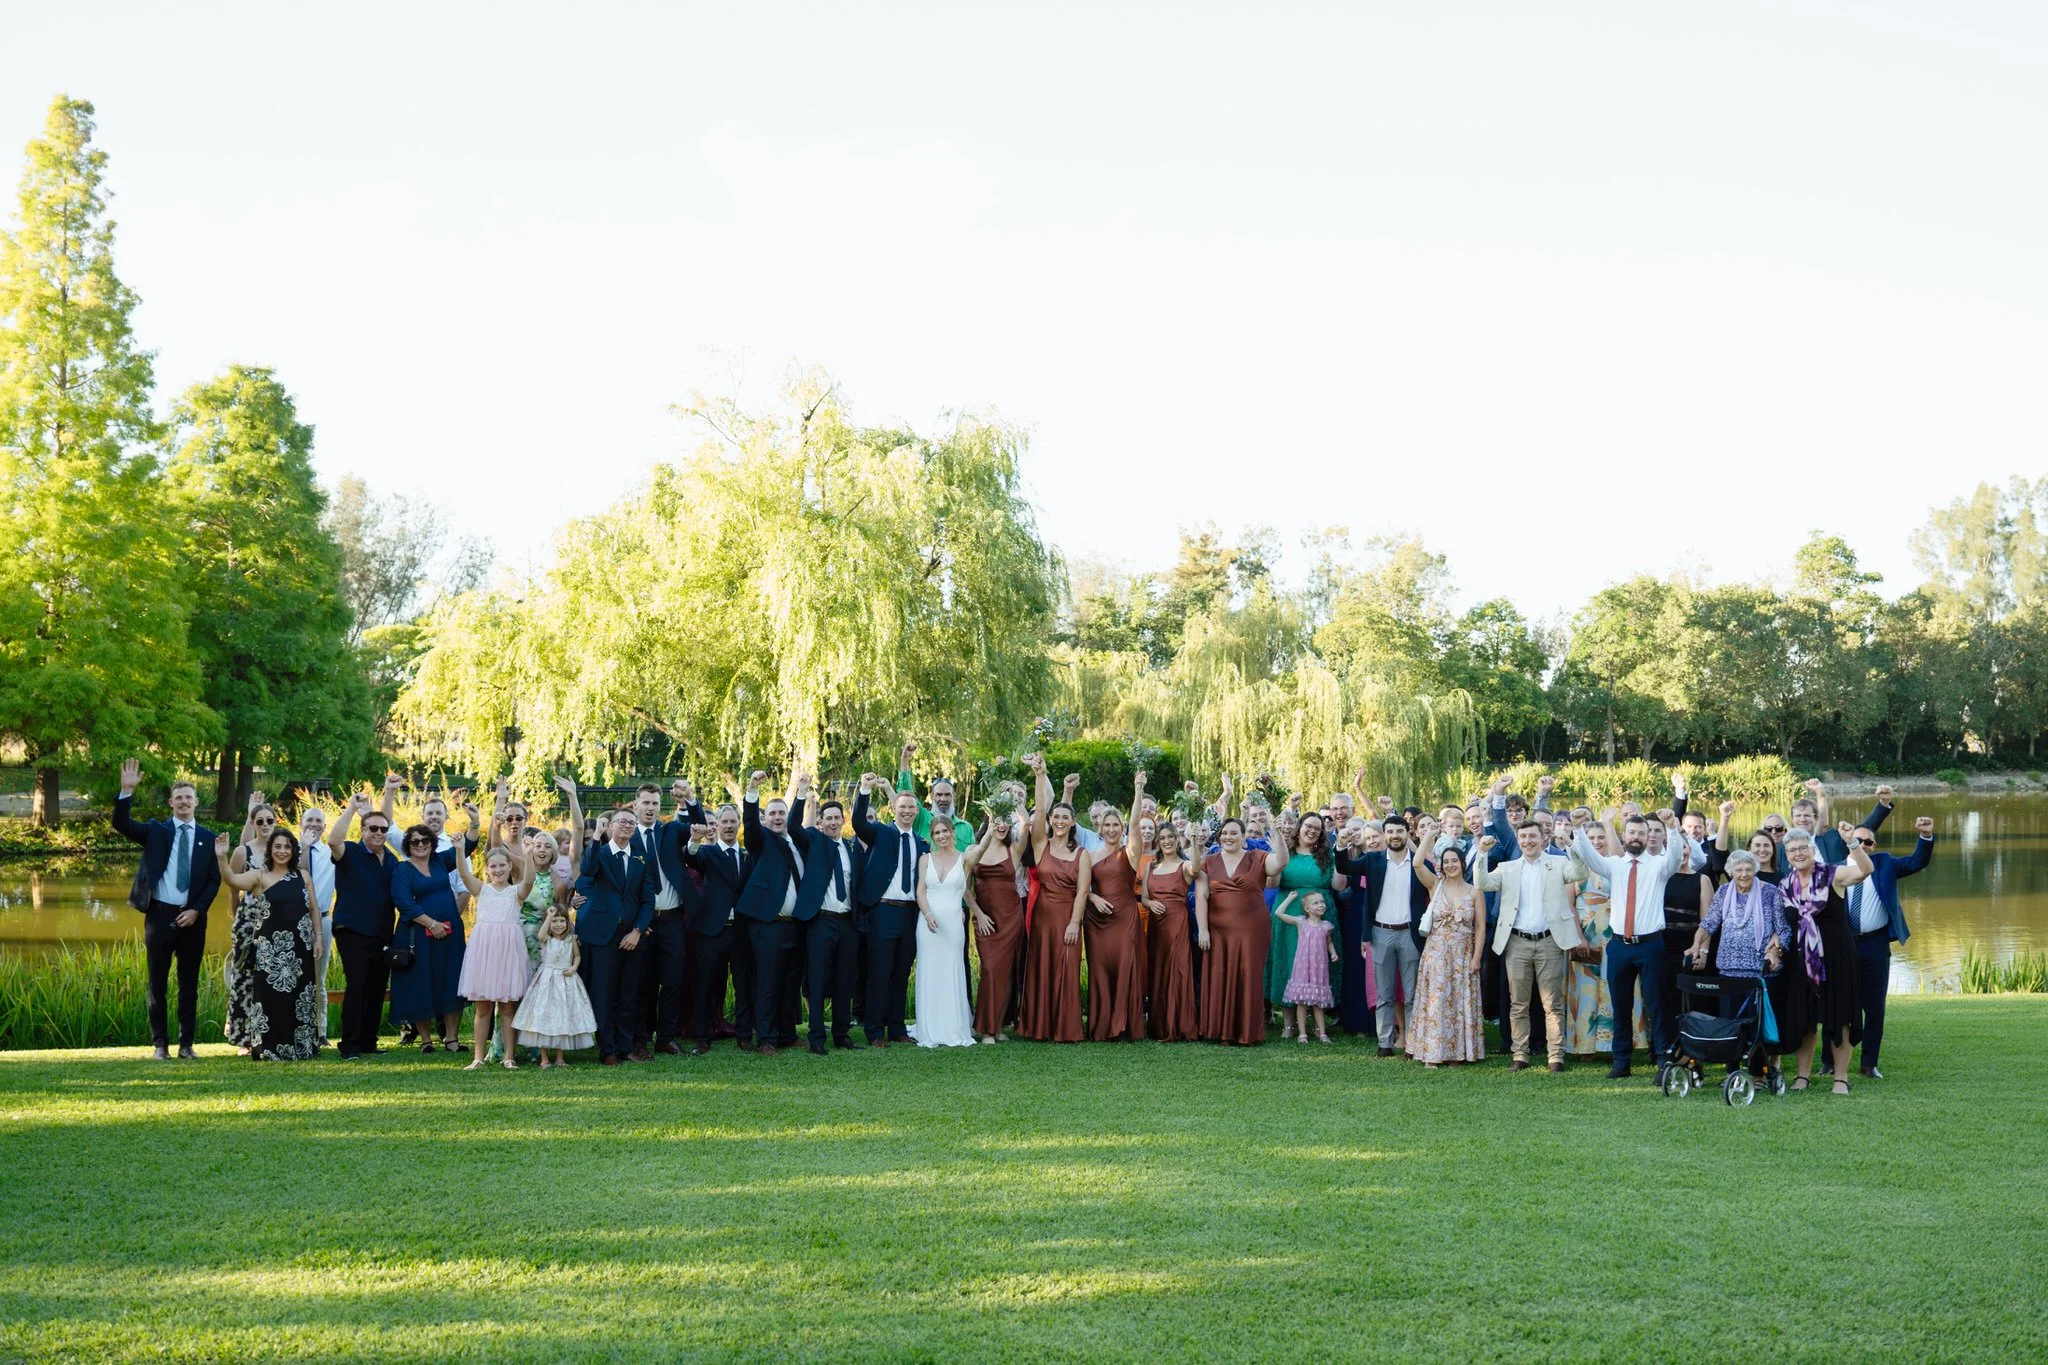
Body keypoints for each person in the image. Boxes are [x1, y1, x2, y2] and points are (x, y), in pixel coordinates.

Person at [112, 760, 224, 1060]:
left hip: (193, 919)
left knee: (189, 986)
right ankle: (160, 1045)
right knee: (157, 983)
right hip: (160, 915)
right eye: (179, 798)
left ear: (196, 802)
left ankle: (186, 1045)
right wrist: (126, 791)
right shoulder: (155, 832)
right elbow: (122, 825)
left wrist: (197, 910)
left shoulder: (209, 838)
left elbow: (215, 881)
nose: (184, 802)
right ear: (171, 803)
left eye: (189, 797)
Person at [1570, 811, 1688, 1077]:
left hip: (1650, 945)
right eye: (1632, 833)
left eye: (1642, 833)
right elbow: (1589, 857)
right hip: (1620, 945)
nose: (1636, 837)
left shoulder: (1659, 865)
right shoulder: (1614, 865)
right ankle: (1621, 1062)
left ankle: (1662, 1062)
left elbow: (1676, 857)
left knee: (1657, 1006)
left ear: (1648, 837)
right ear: (1624, 836)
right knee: (1620, 1006)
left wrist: (1671, 828)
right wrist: (1578, 830)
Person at [1474, 820, 1586, 1073]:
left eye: (1532, 836)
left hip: (1550, 941)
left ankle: (1555, 1057)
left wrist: (1570, 843)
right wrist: (1482, 853)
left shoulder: (1558, 864)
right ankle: (1520, 1055)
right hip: (1517, 942)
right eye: (1523, 837)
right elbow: (1482, 883)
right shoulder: (1507, 867)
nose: (1527, 841)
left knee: (1552, 1004)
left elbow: (1580, 873)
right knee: (1518, 1004)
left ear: (1543, 838)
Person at [1774, 826, 1876, 1094]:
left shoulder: (1833, 875)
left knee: (1840, 1015)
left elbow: (1865, 870)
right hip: (1801, 959)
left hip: (1836, 955)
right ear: (1787, 854)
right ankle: (1803, 1076)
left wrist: (1852, 842)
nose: (1798, 853)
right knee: (1804, 1017)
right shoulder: (1785, 885)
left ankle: (1840, 1078)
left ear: (1812, 849)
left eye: (1802, 848)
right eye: (1792, 850)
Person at [215, 826, 323, 1061]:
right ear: (270, 850)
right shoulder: (259, 875)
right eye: (277, 846)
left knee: (299, 998)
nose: (282, 851)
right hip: (268, 951)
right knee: (271, 1000)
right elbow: (232, 880)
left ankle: (302, 1046)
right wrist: (222, 857)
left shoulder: (303, 875)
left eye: (287, 846)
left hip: (299, 948)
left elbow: (313, 909)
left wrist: (319, 938)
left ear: (293, 850)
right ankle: (269, 1047)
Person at [1846, 815, 1936, 1078]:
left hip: (1874, 943)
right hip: (1844, 945)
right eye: (1858, 840)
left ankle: (1868, 1064)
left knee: (1874, 1007)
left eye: (1868, 842)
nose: (1863, 845)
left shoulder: (1884, 864)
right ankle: (1830, 1062)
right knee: (1839, 1004)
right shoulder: (1835, 869)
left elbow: (1917, 861)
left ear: (1874, 846)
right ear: (1849, 843)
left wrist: (1925, 836)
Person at [1336, 814, 1431, 1056]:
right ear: (1385, 834)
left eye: (1399, 831)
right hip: (1380, 933)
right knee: (1384, 993)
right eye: (1390, 832)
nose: (1395, 836)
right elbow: (1345, 867)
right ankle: (1385, 1043)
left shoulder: (1420, 864)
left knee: (1411, 994)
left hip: (1410, 933)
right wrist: (1340, 845)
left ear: (1407, 833)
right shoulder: (1373, 860)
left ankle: (1412, 1043)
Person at [735, 771, 811, 1056]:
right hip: (768, 925)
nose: (778, 818)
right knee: (767, 982)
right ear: (766, 818)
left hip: (796, 925)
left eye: (783, 813)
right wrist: (752, 789)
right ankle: (766, 1038)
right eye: (774, 814)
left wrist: (802, 792)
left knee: (791, 983)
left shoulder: (797, 844)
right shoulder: (761, 840)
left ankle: (787, 1035)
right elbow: (751, 825)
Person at [573, 808, 657, 1066]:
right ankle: (607, 1049)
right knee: (604, 992)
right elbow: (587, 869)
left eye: (631, 823)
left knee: (629, 993)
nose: (627, 826)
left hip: (630, 935)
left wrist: (637, 931)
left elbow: (647, 900)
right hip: (601, 935)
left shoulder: (641, 859)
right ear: (610, 826)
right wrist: (596, 835)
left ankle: (626, 1046)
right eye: (622, 821)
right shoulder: (600, 853)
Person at [325, 777, 402, 1059]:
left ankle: (368, 1041)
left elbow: (385, 820)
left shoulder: (390, 859)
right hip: (353, 930)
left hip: (382, 932)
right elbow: (333, 840)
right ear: (363, 830)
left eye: (383, 829)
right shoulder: (351, 852)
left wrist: (389, 794)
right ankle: (350, 1045)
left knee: (376, 986)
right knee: (357, 985)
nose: (379, 833)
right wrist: (350, 809)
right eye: (373, 828)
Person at [852, 772, 929, 1046]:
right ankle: (874, 1031)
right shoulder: (881, 833)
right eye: (902, 807)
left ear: (916, 812)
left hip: (910, 914)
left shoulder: (922, 843)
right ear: (893, 809)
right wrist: (864, 789)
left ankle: (897, 1030)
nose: (906, 811)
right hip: (882, 912)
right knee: (879, 972)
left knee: (900, 973)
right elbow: (859, 823)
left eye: (911, 808)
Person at [390, 811, 474, 1054]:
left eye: (425, 840)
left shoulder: (440, 861)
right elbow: (404, 903)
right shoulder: (402, 870)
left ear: (432, 843)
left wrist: (474, 824)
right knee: (421, 983)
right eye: (415, 841)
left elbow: (467, 846)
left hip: (450, 934)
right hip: (417, 936)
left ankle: (452, 1039)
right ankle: (426, 1040)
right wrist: (431, 924)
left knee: (451, 980)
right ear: (408, 845)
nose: (420, 845)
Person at [630, 778, 703, 1056]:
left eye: (655, 804)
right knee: (642, 982)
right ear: (636, 805)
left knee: (673, 980)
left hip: (673, 919)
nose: (650, 808)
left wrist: (691, 799)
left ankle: (666, 1037)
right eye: (646, 803)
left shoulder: (671, 831)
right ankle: (640, 1038)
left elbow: (699, 826)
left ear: (661, 806)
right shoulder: (628, 837)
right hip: (643, 923)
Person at [453, 838, 538, 1070]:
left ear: (510, 867)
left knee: (508, 1006)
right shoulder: (481, 890)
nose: (498, 870)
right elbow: (462, 873)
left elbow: (529, 880)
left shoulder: (516, 892)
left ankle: (509, 1056)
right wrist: (460, 850)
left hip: (509, 950)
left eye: (503, 865)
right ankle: (478, 1057)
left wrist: (529, 854)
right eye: (493, 866)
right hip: (484, 950)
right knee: (483, 1007)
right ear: (487, 869)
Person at [1019, 753, 1086, 1043]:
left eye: (1065, 817)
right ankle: (1038, 1026)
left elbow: (1083, 891)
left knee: (1067, 968)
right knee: (1040, 967)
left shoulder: (1081, 854)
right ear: (1049, 820)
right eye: (1055, 817)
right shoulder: (1040, 844)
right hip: (1042, 915)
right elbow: (1042, 805)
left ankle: (1065, 1028)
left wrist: (1074, 923)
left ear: (1073, 823)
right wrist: (1039, 775)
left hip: (1067, 917)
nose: (1059, 821)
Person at [793, 792, 866, 1053]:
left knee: (845, 980)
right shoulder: (814, 841)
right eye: (829, 818)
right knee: (817, 978)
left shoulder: (850, 848)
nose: (834, 822)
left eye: (837, 818)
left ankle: (842, 1034)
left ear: (843, 820)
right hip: (821, 921)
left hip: (847, 922)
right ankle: (816, 1039)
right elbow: (793, 827)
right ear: (821, 822)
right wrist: (802, 795)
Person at [1078, 775, 1146, 1042]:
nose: (1111, 829)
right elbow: (1081, 889)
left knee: (1125, 965)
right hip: (1096, 921)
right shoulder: (1089, 855)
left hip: (1124, 917)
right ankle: (1102, 1026)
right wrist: (1093, 899)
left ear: (1122, 827)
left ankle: (1125, 1026)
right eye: (1107, 824)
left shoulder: (1130, 852)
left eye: (1116, 824)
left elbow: (1137, 824)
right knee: (1100, 969)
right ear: (1100, 828)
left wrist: (1138, 789)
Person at [1684, 850, 1790, 1020]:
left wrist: (1776, 953)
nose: (1744, 874)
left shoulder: (1770, 892)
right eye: (1738, 870)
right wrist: (1696, 944)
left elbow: (1783, 929)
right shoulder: (1723, 891)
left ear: (1755, 870)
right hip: (1728, 969)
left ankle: (1760, 1047)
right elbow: (1709, 923)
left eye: (1748, 869)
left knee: (1757, 1023)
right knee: (1730, 1022)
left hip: (1760, 970)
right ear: (1731, 872)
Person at [1266, 810, 1343, 1038]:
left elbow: (1339, 885)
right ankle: (1288, 1024)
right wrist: (1277, 854)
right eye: (1308, 826)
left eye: (1317, 829)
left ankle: (1319, 1024)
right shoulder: (1286, 854)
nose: (1312, 831)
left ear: (1321, 834)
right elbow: (1271, 883)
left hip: (1320, 914)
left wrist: (1339, 856)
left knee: (1316, 966)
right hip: (1289, 912)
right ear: (1299, 827)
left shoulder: (1326, 856)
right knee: (1290, 963)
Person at [1406, 844, 1484, 1066]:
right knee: (1437, 1001)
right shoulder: (1435, 885)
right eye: (1446, 861)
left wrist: (1476, 958)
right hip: (1437, 953)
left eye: (1454, 860)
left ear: (1462, 863)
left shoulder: (1475, 891)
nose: (1450, 865)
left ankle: (1457, 1053)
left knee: (1459, 1003)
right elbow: (1417, 863)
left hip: (1463, 953)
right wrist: (1430, 835)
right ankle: (1432, 1052)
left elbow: (1479, 928)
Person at [1195, 816, 1269, 1045]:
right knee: (1219, 974)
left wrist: (1275, 834)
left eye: (1234, 833)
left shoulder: (1257, 857)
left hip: (1251, 928)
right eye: (1225, 833)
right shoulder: (1209, 861)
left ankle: (1246, 1032)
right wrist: (1203, 930)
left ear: (1243, 836)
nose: (1228, 837)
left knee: (1248, 975)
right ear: (1219, 836)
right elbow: (1201, 895)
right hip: (1218, 929)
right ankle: (1219, 1030)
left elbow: (1281, 864)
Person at [683, 800, 749, 1054]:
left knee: (743, 984)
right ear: (717, 826)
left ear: (739, 825)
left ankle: (744, 1035)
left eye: (733, 821)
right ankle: (702, 1037)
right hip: (712, 931)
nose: (729, 826)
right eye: (725, 821)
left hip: (740, 931)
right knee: (706, 984)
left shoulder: (746, 855)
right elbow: (691, 857)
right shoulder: (708, 853)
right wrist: (694, 841)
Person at [910, 818, 979, 1047]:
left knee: (952, 971)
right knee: (929, 971)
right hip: (928, 922)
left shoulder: (964, 859)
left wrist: (991, 821)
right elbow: (920, 891)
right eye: (937, 832)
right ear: (933, 836)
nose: (941, 836)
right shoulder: (925, 859)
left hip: (952, 921)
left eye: (945, 831)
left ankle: (953, 1026)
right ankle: (929, 1026)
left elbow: (964, 890)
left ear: (952, 832)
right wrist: (928, 916)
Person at [966, 805, 1026, 1044]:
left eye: (1006, 822)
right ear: (988, 822)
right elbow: (965, 889)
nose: (1002, 826)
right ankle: (986, 1029)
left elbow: (1028, 821)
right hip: (986, 918)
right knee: (990, 969)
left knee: (1008, 971)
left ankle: (999, 1027)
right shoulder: (973, 849)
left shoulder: (1014, 848)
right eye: (997, 821)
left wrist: (1015, 802)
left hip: (1011, 916)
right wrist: (978, 914)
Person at [514, 905, 598, 1067]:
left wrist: (574, 967)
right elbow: (540, 935)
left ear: (568, 922)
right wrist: (549, 916)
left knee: (563, 1017)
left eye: (562, 921)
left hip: (566, 981)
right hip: (547, 981)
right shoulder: (547, 939)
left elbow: (577, 956)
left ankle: (560, 1057)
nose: (558, 924)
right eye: (554, 921)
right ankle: (544, 1058)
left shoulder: (571, 939)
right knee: (543, 1017)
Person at [1143, 818, 1200, 1041]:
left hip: (1177, 922)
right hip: (1157, 926)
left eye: (1171, 837)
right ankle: (1159, 1026)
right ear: (1158, 841)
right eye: (1162, 838)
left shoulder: (1183, 866)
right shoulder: (1151, 866)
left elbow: (1196, 867)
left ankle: (1180, 1025)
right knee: (1158, 971)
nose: (1166, 841)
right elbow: (1145, 896)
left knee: (1178, 970)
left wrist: (1193, 839)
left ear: (1177, 840)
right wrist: (1149, 904)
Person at [1275, 890, 1338, 1044]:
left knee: (1318, 1002)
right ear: (1307, 909)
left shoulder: (1326, 926)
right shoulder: (1301, 922)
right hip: (1303, 967)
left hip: (1319, 968)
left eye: (1322, 902)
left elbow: (1328, 942)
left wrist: (1333, 953)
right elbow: (1279, 913)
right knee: (1302, 1002)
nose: (1321, 905)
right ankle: (1302, 1034)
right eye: (1315, 903)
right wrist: (1289, 898)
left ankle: (1322, 1033)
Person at [893, 741, 976, 845]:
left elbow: (972, 858)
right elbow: (905, 792)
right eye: (939, 795)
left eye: (947, 795)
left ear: (953, 796)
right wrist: (905, 758)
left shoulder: (966, 827)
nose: (943, 799)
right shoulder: (921, 818)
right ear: (932, 796)